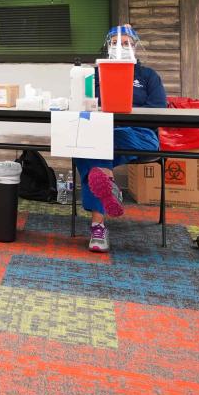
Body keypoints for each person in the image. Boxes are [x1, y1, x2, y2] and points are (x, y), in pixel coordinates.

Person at [75, 24, 167, 253]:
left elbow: (158, 111)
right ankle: (98, 223)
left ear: (135, 46)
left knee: (93, 145)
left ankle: (105, 179)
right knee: (86, 143)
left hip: (140, 136)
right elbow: (84, 103)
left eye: (126, 43)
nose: (120, 47)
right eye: (115, 43)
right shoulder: (95, 75)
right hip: (103, 133)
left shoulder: (148, 76)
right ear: (107, 47)